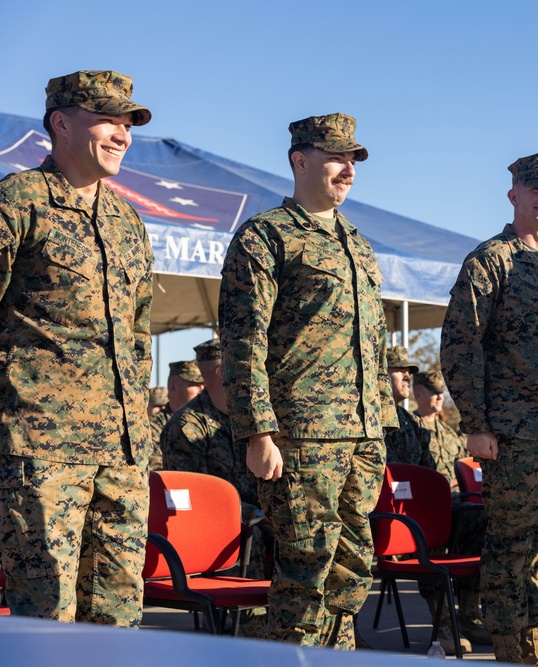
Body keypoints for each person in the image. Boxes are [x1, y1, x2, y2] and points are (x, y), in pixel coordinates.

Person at [220, 113, 396, 649]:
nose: (348, 170)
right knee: (304, 573)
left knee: (350, 570)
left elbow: (376, 341)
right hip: (302, 436)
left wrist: (383, 422)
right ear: (300, 160)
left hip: (361, 435)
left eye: (353, 161)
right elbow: (243, 339)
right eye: (338, 158)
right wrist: (257, 433)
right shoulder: (266, 236)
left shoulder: (358, 245)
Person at [0, 70, 153, 626]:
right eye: (108, 120)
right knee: (48, 624)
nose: (122, 134)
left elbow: (138, 338)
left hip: (124, 453)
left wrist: (143, 434)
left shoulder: (127, 221)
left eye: (128, 123)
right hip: (43, 450)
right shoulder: (18, 202)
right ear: (61, 123)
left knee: (119, 622)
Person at [440, 152, 538, 666]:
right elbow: (459, 345)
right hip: (512, 432)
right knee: (510, 541)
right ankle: (506, 643)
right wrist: (476, 425)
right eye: (537, 189)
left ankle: (533, 635)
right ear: (514, 194)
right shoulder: (490, 260)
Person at [410, 368, 491, 649]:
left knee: (482, 518)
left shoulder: (450, 432)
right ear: (418, 394)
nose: (439, 397)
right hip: (425, 506)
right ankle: (442, 624)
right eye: (433, 392)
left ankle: (469, 616)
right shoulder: (411, 428)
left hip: (456, 503)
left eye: (441, 393)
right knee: (430, 532)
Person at [161, 338, 254, 510]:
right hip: (219, 527)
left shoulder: (254, 414)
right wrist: (255, 516)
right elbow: (193, 498)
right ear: (222, 373)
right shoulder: (187, 426)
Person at [149, 360, 204, 469]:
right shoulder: (154, 426)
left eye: (203, 385)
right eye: (194, 384)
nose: (201, 390)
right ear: (173, 387)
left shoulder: (208, 422)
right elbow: (155, 468)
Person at [384, 346, 433, 468]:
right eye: (400, 370)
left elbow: (429, 474)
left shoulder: (414, 423)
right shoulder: (363, 420)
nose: (408, 377)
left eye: (409, 372)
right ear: (381, 374)